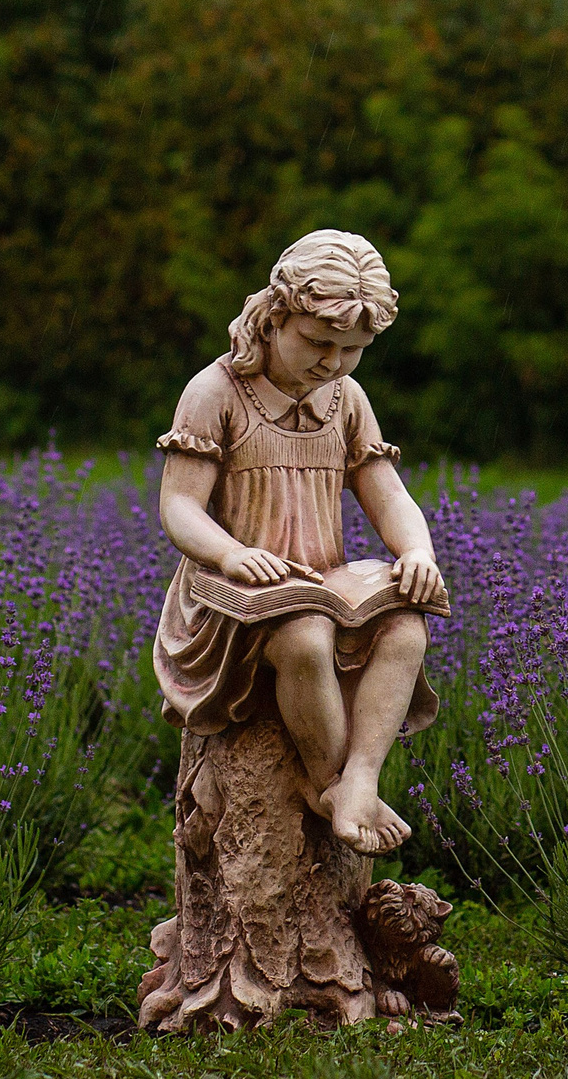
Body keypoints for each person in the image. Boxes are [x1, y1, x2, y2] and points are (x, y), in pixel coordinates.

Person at [151, 230, 445, 855]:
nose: (333, 363)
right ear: (275, 314)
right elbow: (178, 504)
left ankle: (360, 775)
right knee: (306, 638)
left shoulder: (345, 400)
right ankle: (326, 783)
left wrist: (416, 552)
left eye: (353, 350)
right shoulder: (216, 392)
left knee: (408, 629)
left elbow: (387, 493)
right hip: (232, 592)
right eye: (318, 343)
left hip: (319, 580)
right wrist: (230, 553)